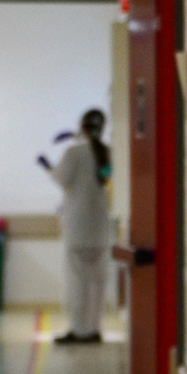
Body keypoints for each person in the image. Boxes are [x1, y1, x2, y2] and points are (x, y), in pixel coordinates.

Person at [37, 108, 112, 344]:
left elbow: (61, 178)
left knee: (77, 281)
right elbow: (105, 178)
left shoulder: (74, 152)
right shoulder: (108, 152)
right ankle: (94, 328)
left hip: (78, 228)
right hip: (100, 228)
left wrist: (48, 166)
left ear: (82, 126)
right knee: (97, 281)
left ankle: (79, 330)